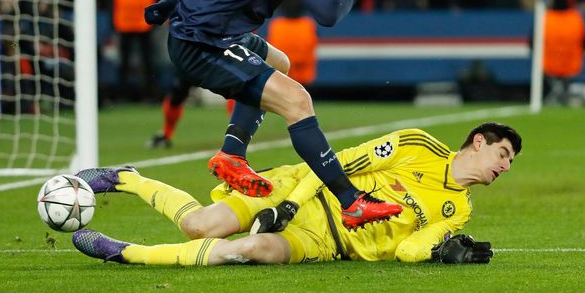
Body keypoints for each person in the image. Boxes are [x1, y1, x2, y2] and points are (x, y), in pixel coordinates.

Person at [143, 0, 400, 228]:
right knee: (297, 101)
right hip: (205, 44)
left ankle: (233, 152)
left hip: (201, 29)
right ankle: (351, 201)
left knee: (280, 62)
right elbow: (328, 13)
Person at [72, 122, 521, 266]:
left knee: (244, 250)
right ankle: (125, 179)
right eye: (502, 153)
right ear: (478, 142)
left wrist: (442, 250)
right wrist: (288, 204)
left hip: (327, 242)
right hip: (303, 191)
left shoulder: (459, 210)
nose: (504, 166)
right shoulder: (416, 145)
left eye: (511, 163)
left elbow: (406, 250)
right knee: (200, 226)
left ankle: (126, 253)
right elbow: (337, 163)